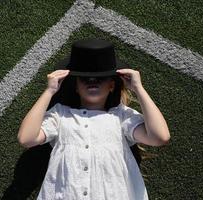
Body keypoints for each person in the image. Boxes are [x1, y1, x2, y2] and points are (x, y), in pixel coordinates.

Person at [17, 39, 170, 199]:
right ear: (75, 86)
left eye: (100, 78)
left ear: (112, 85)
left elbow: (160, 137)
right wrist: (49, 91)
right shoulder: (60, 115)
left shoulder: (121, 116)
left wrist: (139, 88)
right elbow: (26, 138)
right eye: (84, 78)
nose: (92, 81)